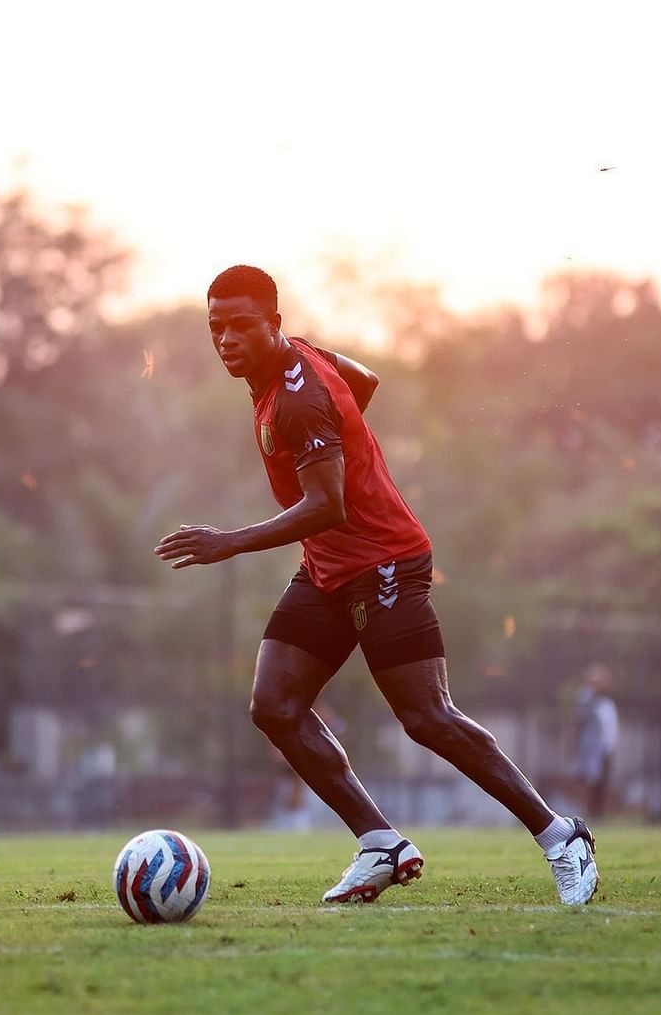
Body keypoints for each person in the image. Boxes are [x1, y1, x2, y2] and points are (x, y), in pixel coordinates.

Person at [155, 265, 598, 906]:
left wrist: (229, 541)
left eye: (241, 325)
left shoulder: (299, 397)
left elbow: (328, 505)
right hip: (328, 569)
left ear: (273, 325)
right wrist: (346, 434)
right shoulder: (294, 365)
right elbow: (364, 381)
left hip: (385, 562)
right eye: (216, 327)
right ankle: (380, 845)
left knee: (426, 717)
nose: (226, 339)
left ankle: (562, 836)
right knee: (274, 705)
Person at [575, 664, 619, 817]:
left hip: (607, 748)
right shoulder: (587, 698)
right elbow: (579, 719)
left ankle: (601, 814)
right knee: (589, 779)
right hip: (591, 748)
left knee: (604, 782)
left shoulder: (607, 702)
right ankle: (586, 813)